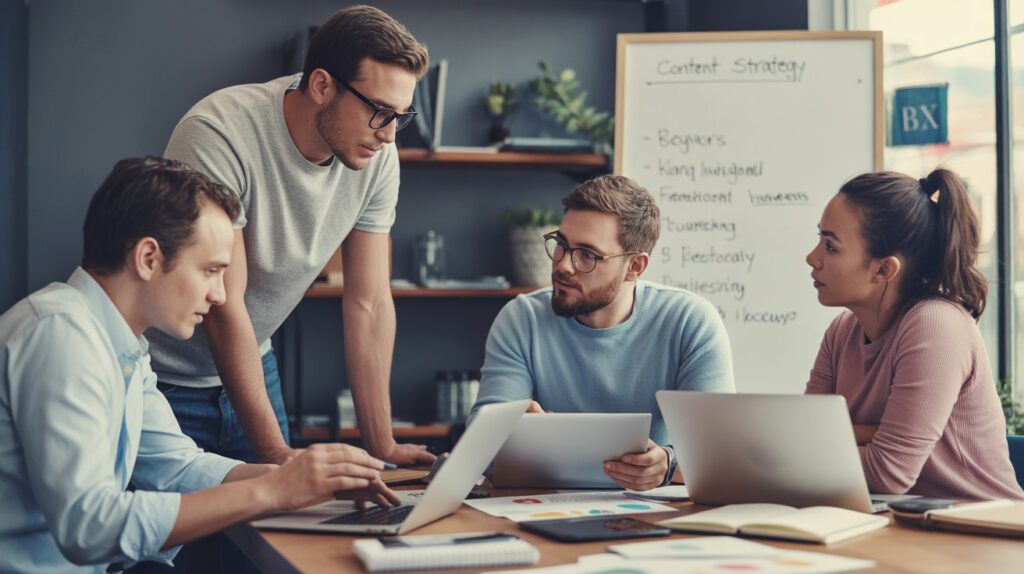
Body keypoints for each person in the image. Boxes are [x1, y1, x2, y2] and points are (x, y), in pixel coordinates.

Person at [0, 157, 399, 573]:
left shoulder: (121, 344)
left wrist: (307, 479)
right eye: (210, 271)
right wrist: (274, 491)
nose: (220, 295)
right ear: (149, 258)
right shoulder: (60, 335)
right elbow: (89, 527)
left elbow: (179, 466)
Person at [149, 5, 435, 466]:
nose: (388, 136)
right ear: (322, 85)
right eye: (380, 113)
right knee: (168, 534)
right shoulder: (220, 132)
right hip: (162, 382)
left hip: (253, 367)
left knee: (279, 534)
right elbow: (225, 301)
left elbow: (370, 301)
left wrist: (381, 444)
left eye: (400, 117)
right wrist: (278, 456)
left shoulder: (378, 154)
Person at [470, 175, 735, 491]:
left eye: (587, 255)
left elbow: (720, 454)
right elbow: (478, 451)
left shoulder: (689, 321)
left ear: (635, 266)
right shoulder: (522, 318)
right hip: (543, 509)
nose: (564, 265)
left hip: (654, 517)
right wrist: (511, 435)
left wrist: (667, 464)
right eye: (561, 245)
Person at [805, 168, 1024, 500]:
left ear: (883, 269)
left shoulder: (936, 326)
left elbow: (887, 472)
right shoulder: (841, 332)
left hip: (981, 534)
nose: (812, 258)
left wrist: (849, 436)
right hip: (895, 524)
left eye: (830, 246)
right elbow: (799, 437)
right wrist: (872, 434)